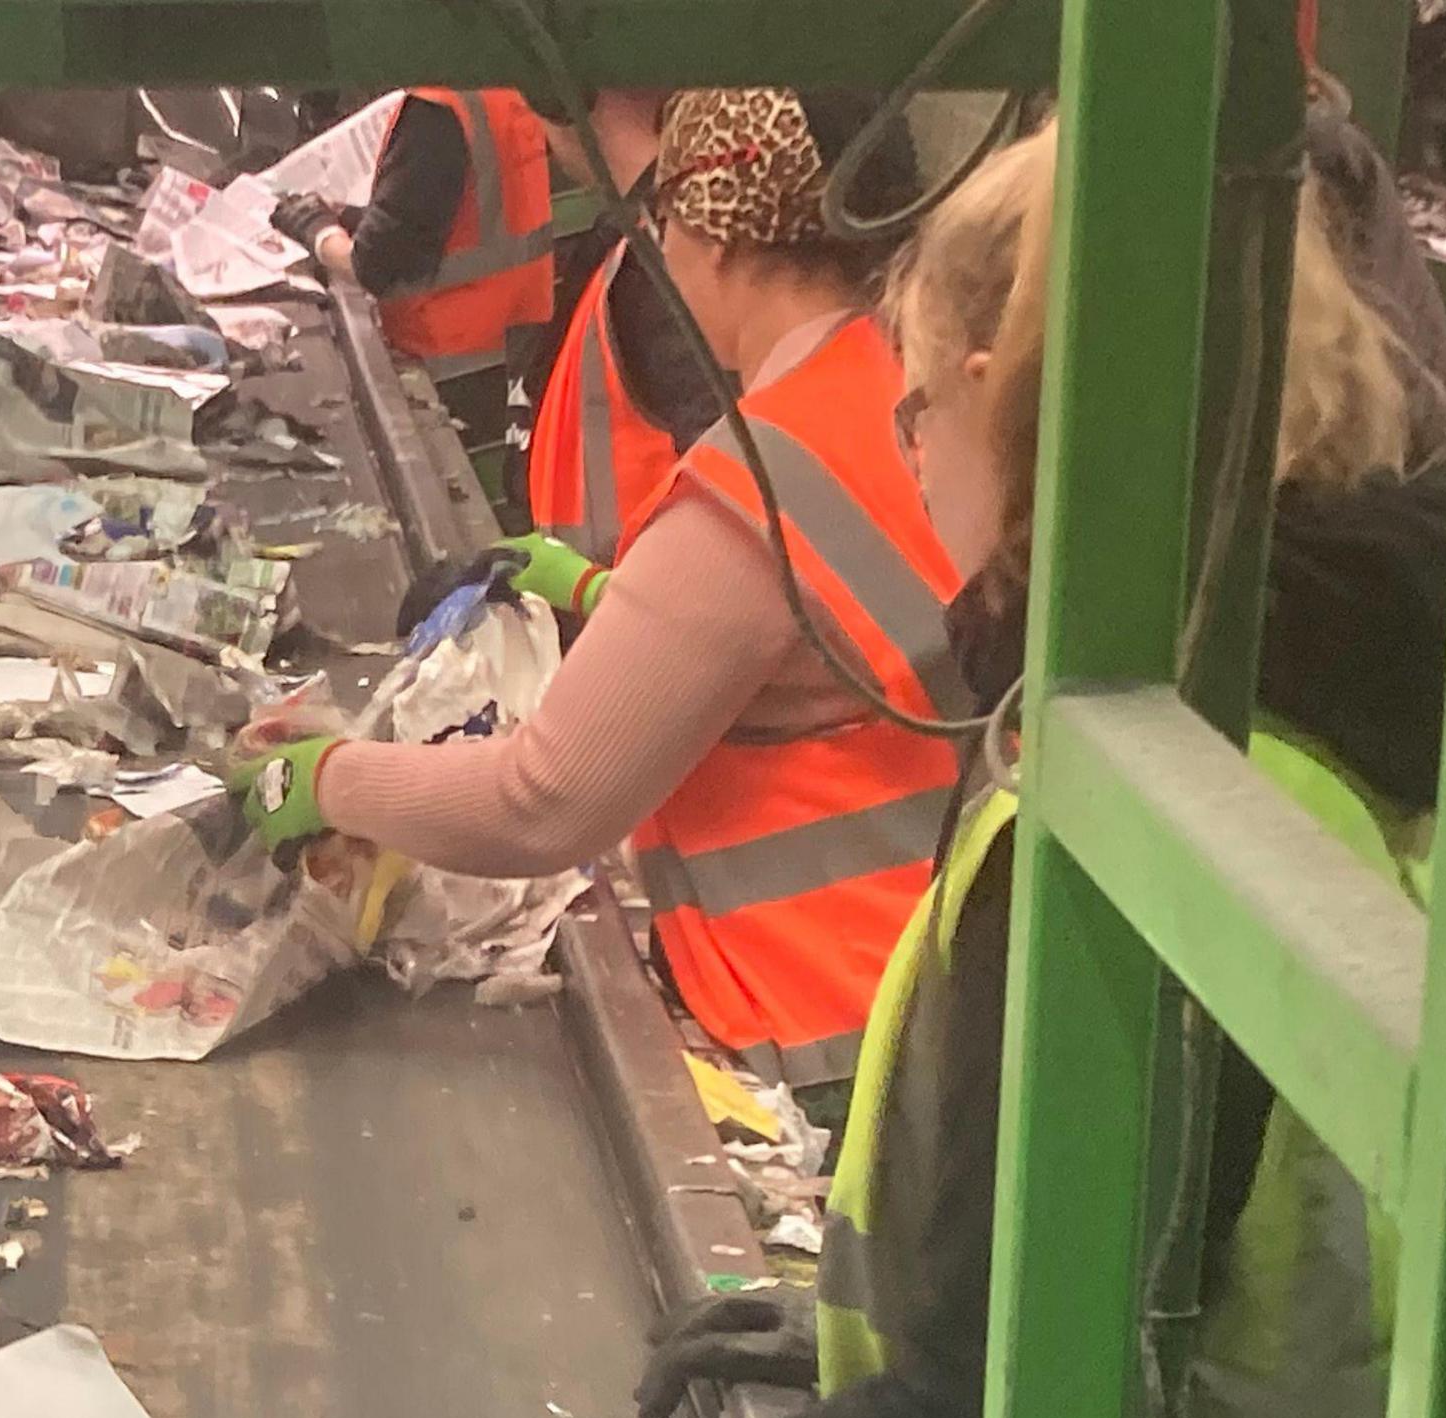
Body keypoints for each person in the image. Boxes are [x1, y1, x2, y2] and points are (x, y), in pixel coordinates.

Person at [229, 122, 1446, 1418]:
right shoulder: (1299, 692)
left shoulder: (1140, 827)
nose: (907, 457)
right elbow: (1179, 1261)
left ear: (984, 389)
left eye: (916, 420)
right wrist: (864, 1315)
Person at [236, 89, 955, 1094]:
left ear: (719, 245)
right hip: (959, 992)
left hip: (843, 1026)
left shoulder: (758, 483)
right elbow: (838, 644)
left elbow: (541, 804)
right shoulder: (914, 389)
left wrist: (325, 778)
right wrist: (615, 594)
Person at [280, 90, 563, 494]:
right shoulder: (499, 92)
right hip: (515, 338)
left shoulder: (435, 115)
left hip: (447, 355)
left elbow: (373, 266)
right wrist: (360, 217)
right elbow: (462, 210)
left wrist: (315, 229)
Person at [523, 88, 717, 563]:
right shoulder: (658, 235)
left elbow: (749, 508)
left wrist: (597, 595)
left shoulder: (672, 255)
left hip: (662, 619)